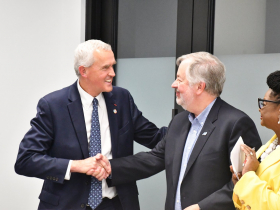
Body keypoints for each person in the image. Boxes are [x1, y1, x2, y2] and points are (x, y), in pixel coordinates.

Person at [94, 52, 263, 210]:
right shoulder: (179, 121)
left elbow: (246, 181)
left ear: (199, 87)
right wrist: (109, 167)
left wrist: (202, 207)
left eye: (179, 80)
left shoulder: (236, 123)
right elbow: (156, 157)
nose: (173, 84)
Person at [14, 39, 167, 210]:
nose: (113, 73)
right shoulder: (53, 105)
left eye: (112, 66)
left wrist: (190, 124)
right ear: (83, 71)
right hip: (68, 205)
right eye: (105, 68)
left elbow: (155, 137)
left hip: (117, 204)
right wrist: (76, 165)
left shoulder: (122, 99)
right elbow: (26, 160)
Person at [231, 70, 280, 210]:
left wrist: (248, 176)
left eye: (263, 104)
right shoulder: (270, 145)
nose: (260, 109)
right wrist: (240, 181)